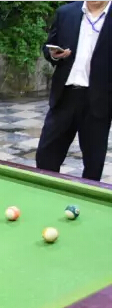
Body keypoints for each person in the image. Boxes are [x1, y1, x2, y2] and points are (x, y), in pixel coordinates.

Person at [36, 1, 112, 181]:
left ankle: (88, 196)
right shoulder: (66, 13)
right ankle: (46, 193)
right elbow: (49, 46)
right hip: (65, 96)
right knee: (46, 156)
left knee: (94, 164)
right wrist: (53, 54)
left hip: (99, 101)